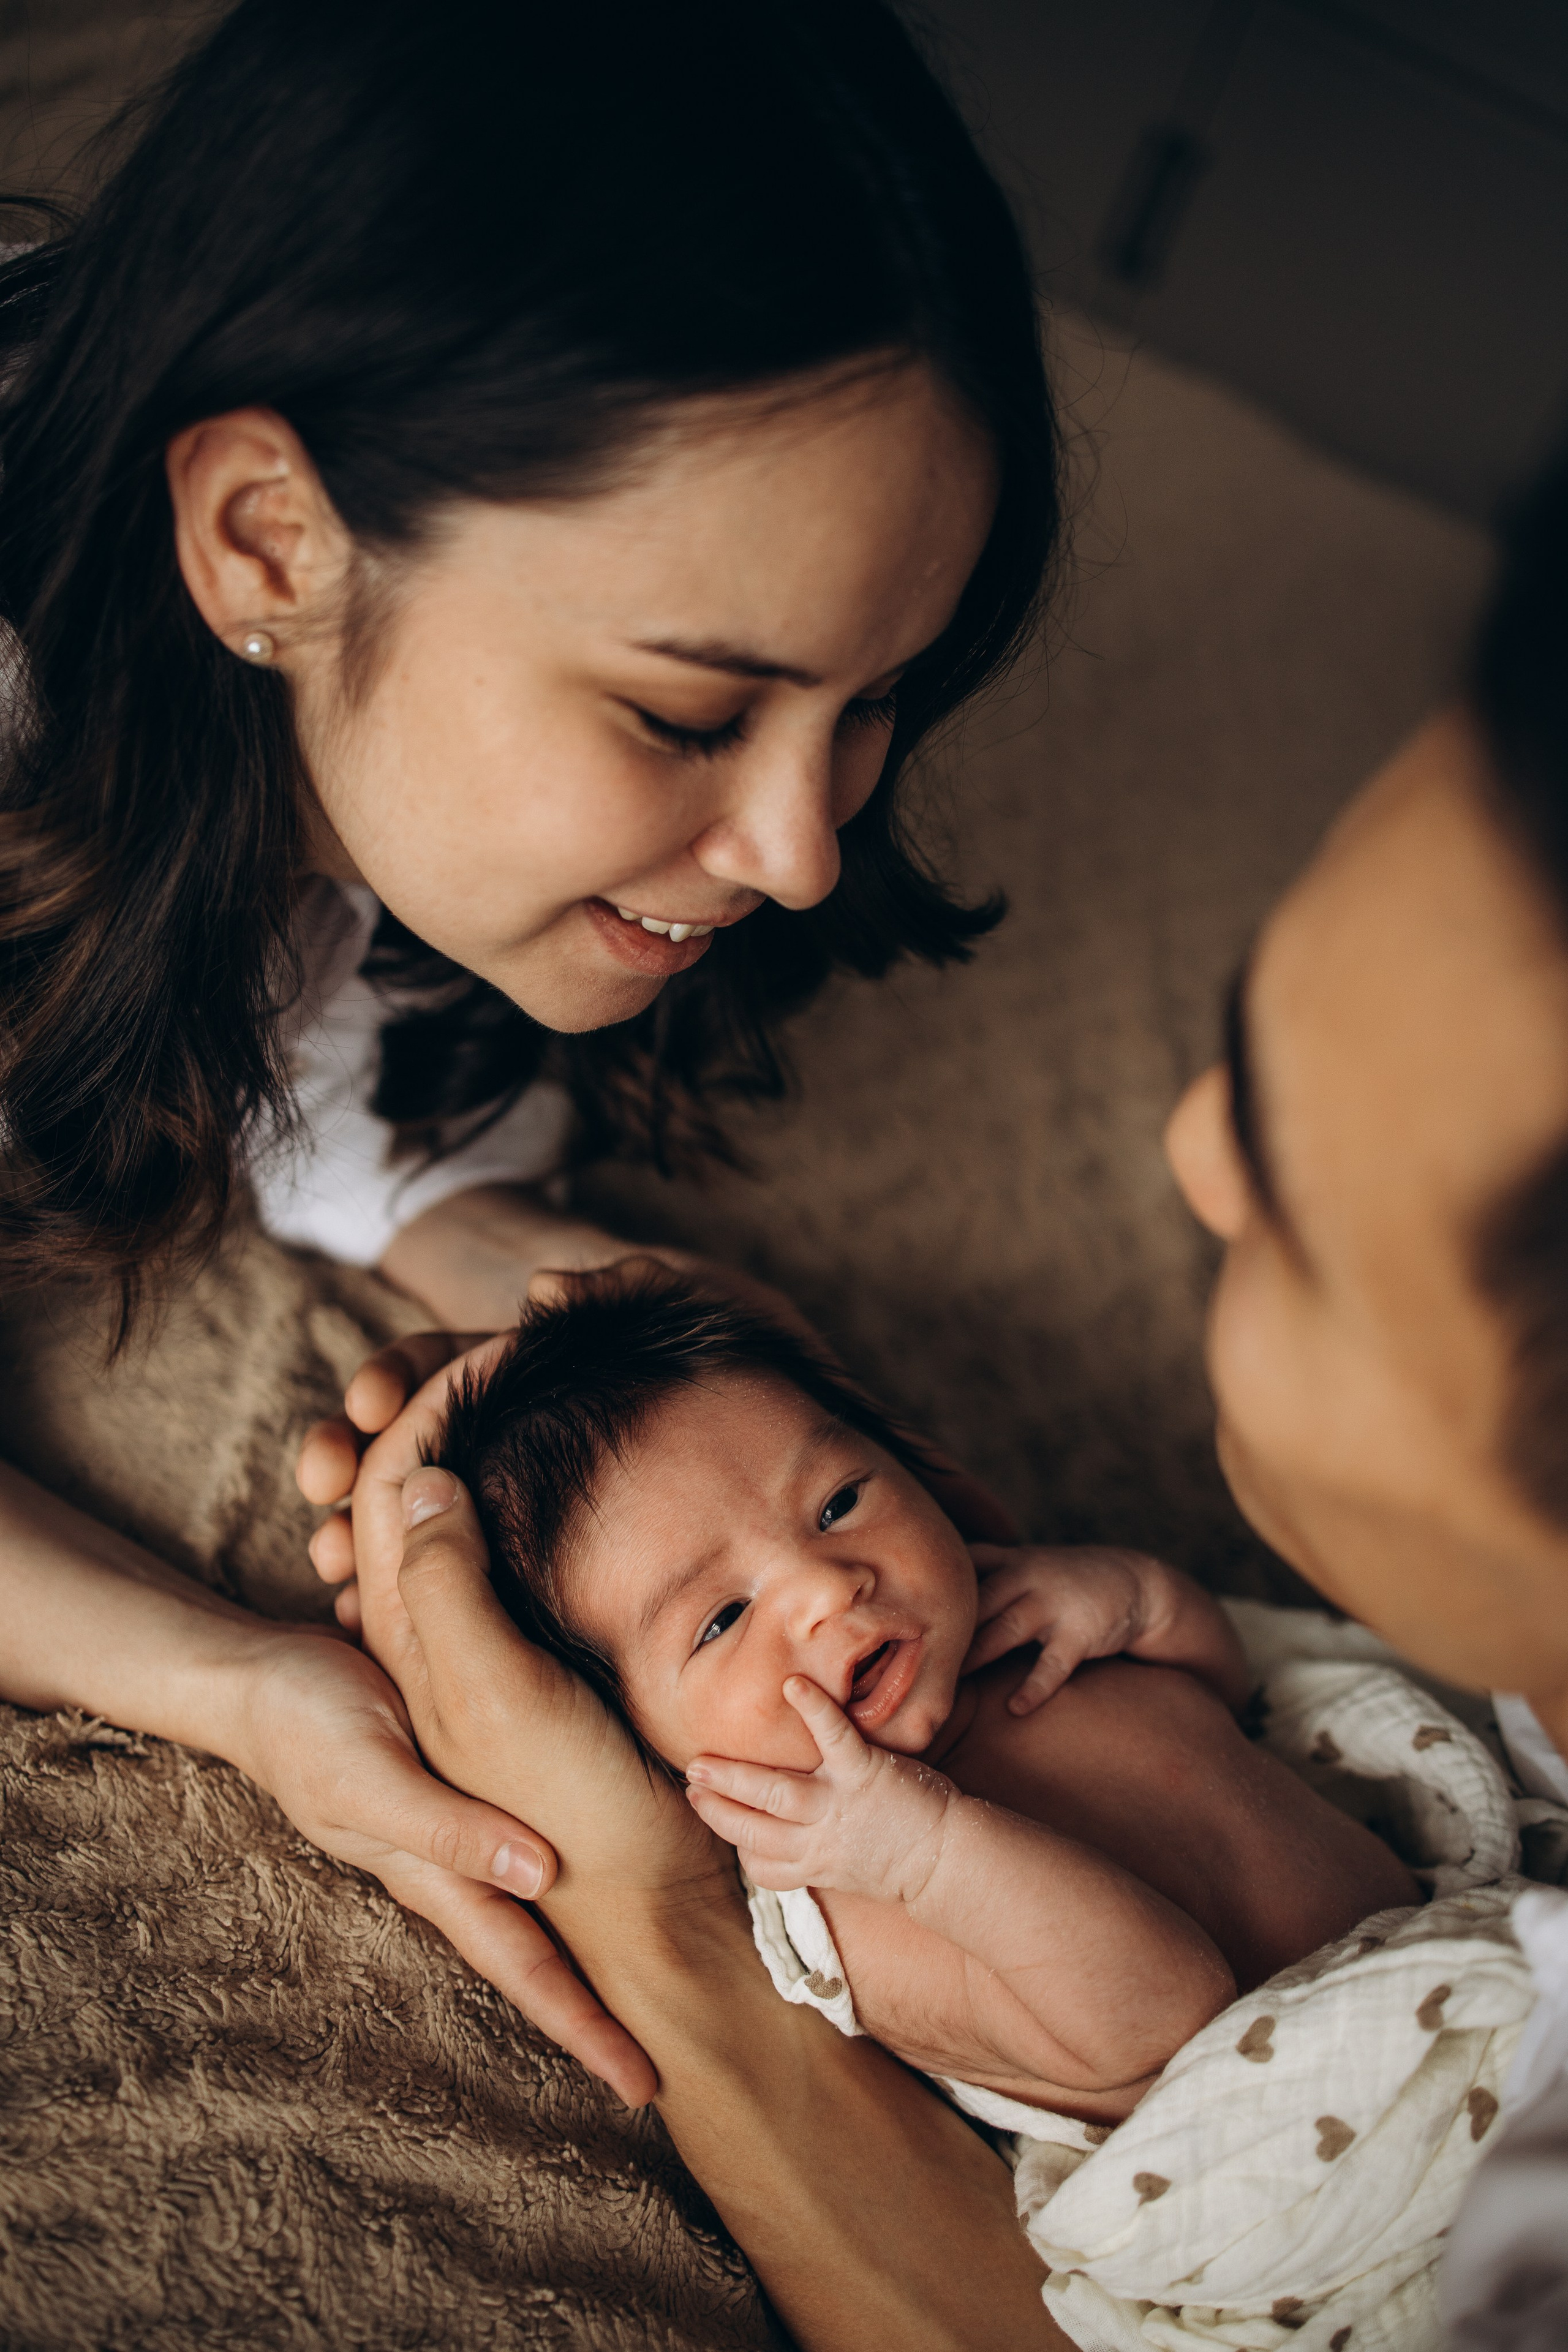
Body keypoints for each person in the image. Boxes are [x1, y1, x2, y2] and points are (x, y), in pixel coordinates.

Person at [316, 442, 1568, 2344]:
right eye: (722, 1615)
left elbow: (1212, 1732)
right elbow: (1164, 1948)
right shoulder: (856, 1889)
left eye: (1306, 1199)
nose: (1194, 1149)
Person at [0, 0, 1061, 2149]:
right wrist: (244, 1687)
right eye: (689, 717)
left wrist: (587, 1296)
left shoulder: (287, 715)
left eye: (876, 703)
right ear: (271, 550)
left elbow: (342, 1100)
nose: (804, 848)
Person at [429, 1264, 1414, 2119]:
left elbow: (1228, 1712)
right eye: (722, 1620)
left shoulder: (1009, 1625)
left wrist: (1143, 1603)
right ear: (642, 1743)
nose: (826, 1586)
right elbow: (1167, 2015)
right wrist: (926, 1857)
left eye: (839, 1502)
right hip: (1341, 2120)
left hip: (1453, 1946)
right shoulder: (850, 1900)